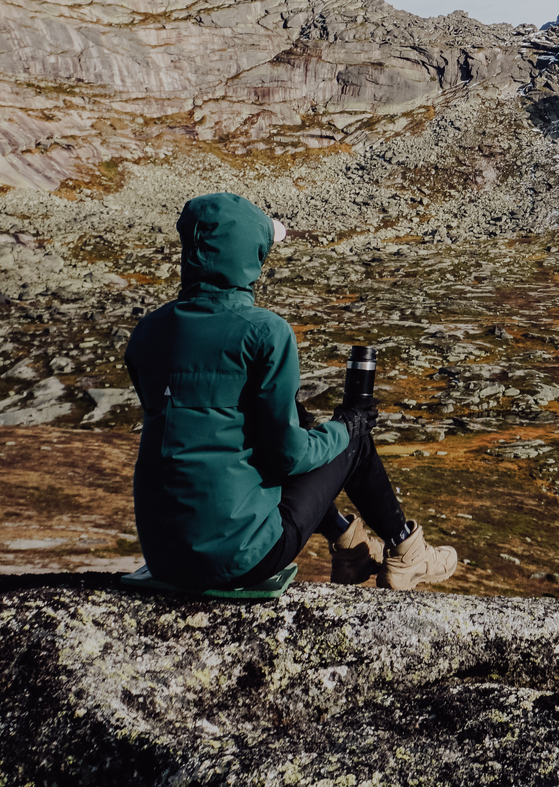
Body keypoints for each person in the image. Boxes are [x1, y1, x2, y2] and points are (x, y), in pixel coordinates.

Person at [125, 191, 456, 590]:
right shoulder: (264, 331)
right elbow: (288, 457)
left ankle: (351, 549)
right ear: (251, 254)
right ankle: (407, 553)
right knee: (353, 442)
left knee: (297, 441)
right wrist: (347, 426)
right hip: (240, 556)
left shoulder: (147, 333)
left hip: (164, 556)